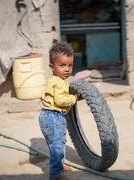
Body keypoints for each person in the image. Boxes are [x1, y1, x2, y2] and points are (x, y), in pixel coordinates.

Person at [39, 41, 81, 180]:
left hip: (46, 115)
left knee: (57, 144)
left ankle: (60, 165)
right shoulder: (60, 82)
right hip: (54, 117)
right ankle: (56, 175)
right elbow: (60, 101)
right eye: (62, 65)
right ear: (52, 66)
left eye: (70, 65)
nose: (67, 69)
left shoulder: (52, 80)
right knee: (58, 145)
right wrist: (74, 98)